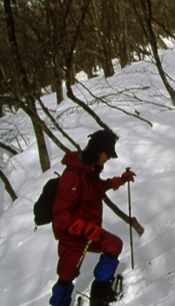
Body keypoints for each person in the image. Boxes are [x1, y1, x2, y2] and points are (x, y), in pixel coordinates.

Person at [49, 129, 135, 306]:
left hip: (89, 232)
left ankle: (100, 291)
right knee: (66, 276)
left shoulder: (89, 171)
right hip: (72, 236)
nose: (108, 158)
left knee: (114, 245)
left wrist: (120, 180)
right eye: (107, 154)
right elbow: (61, 216)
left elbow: (97, 188)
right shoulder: (73, 176)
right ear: (97, 150)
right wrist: (85, 228)